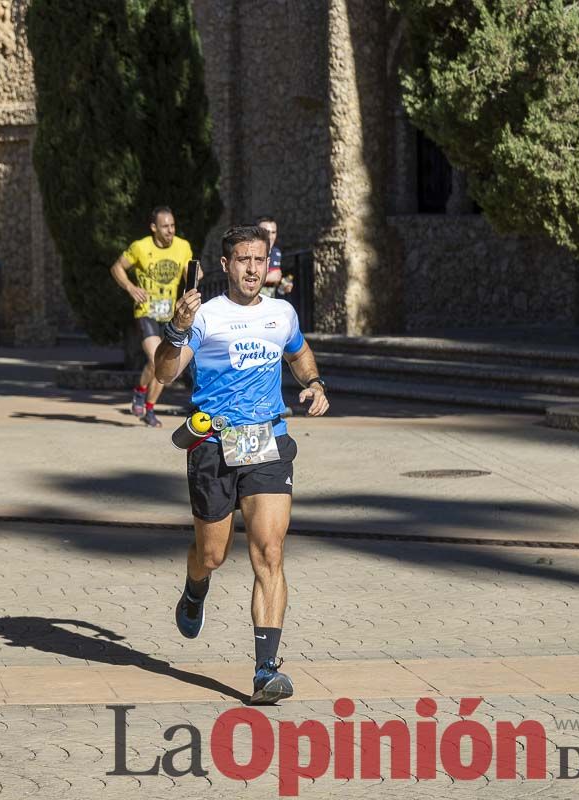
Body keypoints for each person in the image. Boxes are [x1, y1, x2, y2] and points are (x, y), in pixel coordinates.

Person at [153, 224, 329, 705]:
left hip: (268, 442)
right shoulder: (207, 317)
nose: (253, 269)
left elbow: (299, 354)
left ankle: (266, 669)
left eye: (260, 260)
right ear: (226, 265)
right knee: (212, 554)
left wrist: (313, 382)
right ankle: (195, 588)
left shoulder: (282, 313)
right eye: (243, 260)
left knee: (269, 553)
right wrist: (176, 329)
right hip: (213, 446)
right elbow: (165, 373)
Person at [109, 206, 195, 427]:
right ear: (153, 228)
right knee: (156, 358)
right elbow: (117, 267)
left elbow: (192, 276)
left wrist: (192, 284)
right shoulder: (140, 247)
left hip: (169, 315)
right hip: (147, 312)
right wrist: (130, 287)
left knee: (161, 363)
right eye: (165, 226)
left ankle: (146, 402)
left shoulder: (183, 247)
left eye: (173, 226)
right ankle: (145, 403)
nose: (170, 231)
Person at [254, 216, 283, 299]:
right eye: (266, 232)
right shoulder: (248, 253)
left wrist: (282, 286)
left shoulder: (276, 253)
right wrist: (269, 277)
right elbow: (240, 281)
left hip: (269, 305)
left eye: (273, 232)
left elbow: (273, 283)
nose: (270, 236)